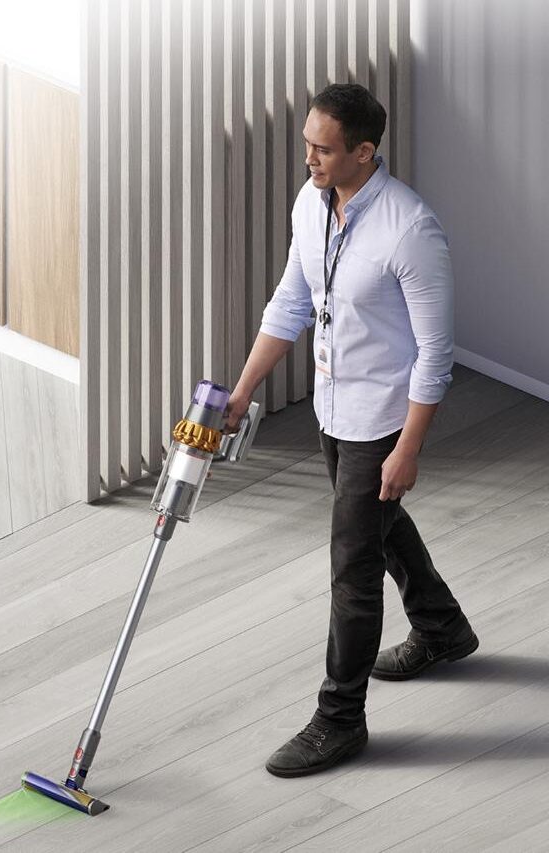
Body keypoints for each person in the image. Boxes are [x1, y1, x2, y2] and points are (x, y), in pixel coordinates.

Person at [223, 83, 478, 778]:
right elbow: (292, 299)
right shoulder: (313, 204)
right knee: (379, 525)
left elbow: (436, 352)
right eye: (307, 142)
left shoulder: (409, 229)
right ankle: (443, 627)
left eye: (323, 148)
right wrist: (243, 393)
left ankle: (340, 718)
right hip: (332, 409)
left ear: (365, 151)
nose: (308, 156)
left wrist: (409, 447)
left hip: (381, 422)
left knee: (352, 570)